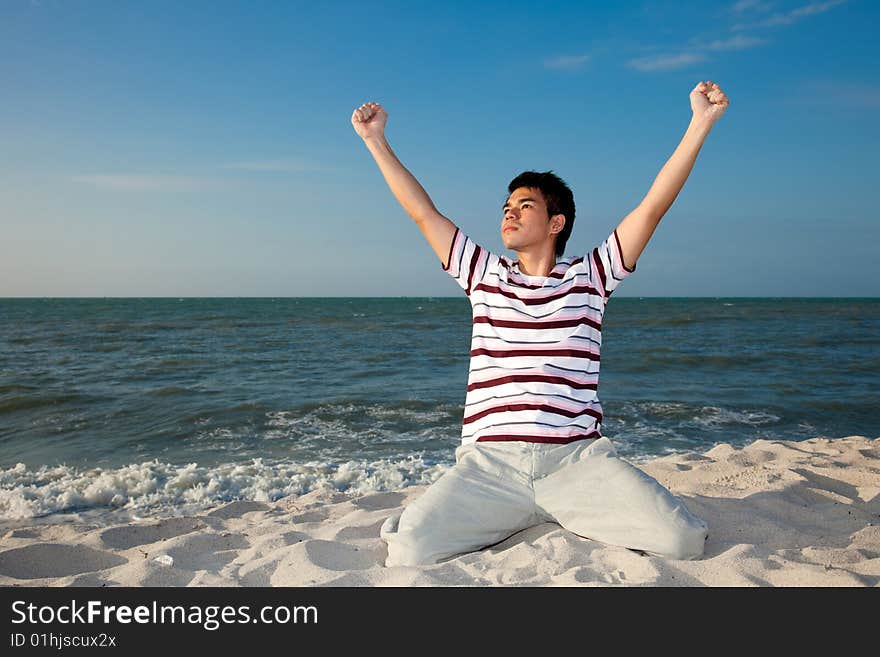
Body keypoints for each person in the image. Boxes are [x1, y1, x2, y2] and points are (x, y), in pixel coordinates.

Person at [351, 81, 730, 567]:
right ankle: (516, 514)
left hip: (576, 462)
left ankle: (556, 512)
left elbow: (652, 206)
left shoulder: (591, 277)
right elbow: (423, 212)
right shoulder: (482, 274)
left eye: (524, 206)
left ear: (556, 223)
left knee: (682, 541)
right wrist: (375, 140)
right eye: (506, 207)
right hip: (491, 465)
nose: (509, 212)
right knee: (408, 550)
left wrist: (700, 123)